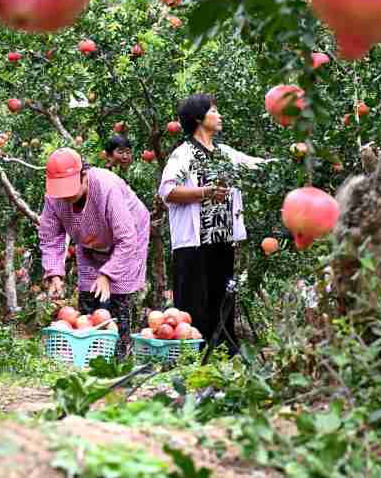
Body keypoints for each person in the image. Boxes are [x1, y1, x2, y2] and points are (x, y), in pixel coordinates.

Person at [159, 94, 272, 355]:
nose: (219, 115)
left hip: (222, 238)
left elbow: (257, 166)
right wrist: (205, 192)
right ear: (199, 118)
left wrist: (294, 158)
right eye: (213, 111)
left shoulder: (225, 153)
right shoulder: (183, 154)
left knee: (222, 301)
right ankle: (192, 355)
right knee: (195, 304)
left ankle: (223, 354)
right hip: (193, 243)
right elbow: (167, 191)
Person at [39, 147, 150, 359]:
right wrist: (54, 273)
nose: (66, 196)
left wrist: (108, 274)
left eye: (70, 189)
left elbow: (127, 238)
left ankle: (120, 356)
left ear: (83, 176)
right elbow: (50, 236)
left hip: (128, 237)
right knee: (88, 293)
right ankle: (88, 355)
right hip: (89, 240)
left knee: (117, 294)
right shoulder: (54, 197)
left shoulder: (106, 187)